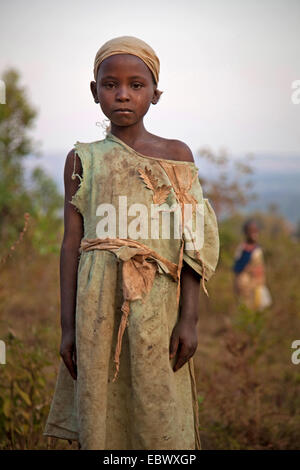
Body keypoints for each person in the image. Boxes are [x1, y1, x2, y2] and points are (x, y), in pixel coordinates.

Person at [43, 36, 220, 450]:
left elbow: (193, 240)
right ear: (95, 92)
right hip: (95, 304)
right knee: (101, 401)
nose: (122, 94)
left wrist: (189, 319)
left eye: (136, 85)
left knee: (159, 406)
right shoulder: (81, 159)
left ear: (155, 94)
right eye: (110, 84)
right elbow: (72, 244)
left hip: (157, 304)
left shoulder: (176, 155)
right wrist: (68, 327)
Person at [232, 218, 272, 311]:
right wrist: (248, 269)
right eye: (251, 231)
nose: (254, 233)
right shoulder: (242, 249)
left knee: (258, 312)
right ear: (246, 233)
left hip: (258, 287)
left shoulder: (258, 249)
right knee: (246, 311)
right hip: (244, 288)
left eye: (256, 231)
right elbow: (237, 268)